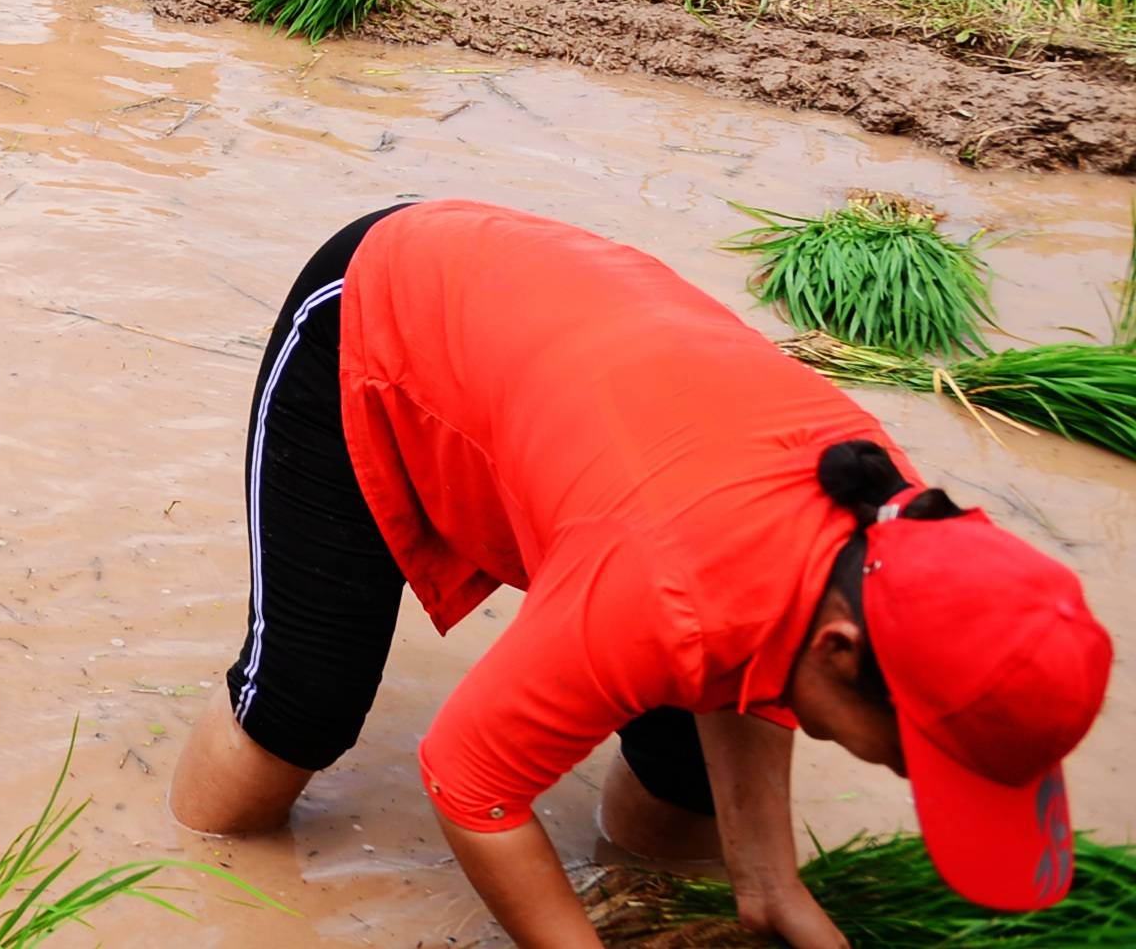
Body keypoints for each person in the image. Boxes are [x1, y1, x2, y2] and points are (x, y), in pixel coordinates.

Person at [172, 200, 1113, 947]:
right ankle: (174, 867)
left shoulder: (885, 522)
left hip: (595, 403)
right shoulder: (664, 585)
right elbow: (467, 783)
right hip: (384, 309)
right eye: (907, 756)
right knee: (301, 709)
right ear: (840, 650)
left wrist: (769, 884)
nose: (901, 774)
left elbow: (761, 637)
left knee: (680, 796)